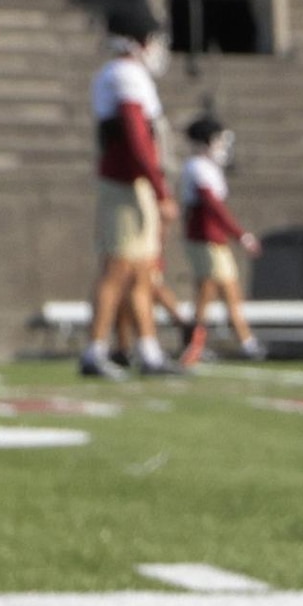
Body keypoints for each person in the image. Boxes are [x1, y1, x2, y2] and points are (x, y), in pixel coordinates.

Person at [81, 27, 169, 380]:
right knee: (117, 270)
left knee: (141, 274)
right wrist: (160, 188)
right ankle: (94, 350)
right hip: (126, 183)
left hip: (132, 182)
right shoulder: (125, 74)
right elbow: (135, 135)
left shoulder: (125, 74)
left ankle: (148, 350)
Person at [169, 113, 254, 363]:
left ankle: (240, 340)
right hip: (205, 237)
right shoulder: (198, 167)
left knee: (220, 289)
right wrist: (241, 235)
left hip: (211, 238)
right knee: (213, 288)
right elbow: (212, 206)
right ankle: (205, 341)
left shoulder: (206, 168)